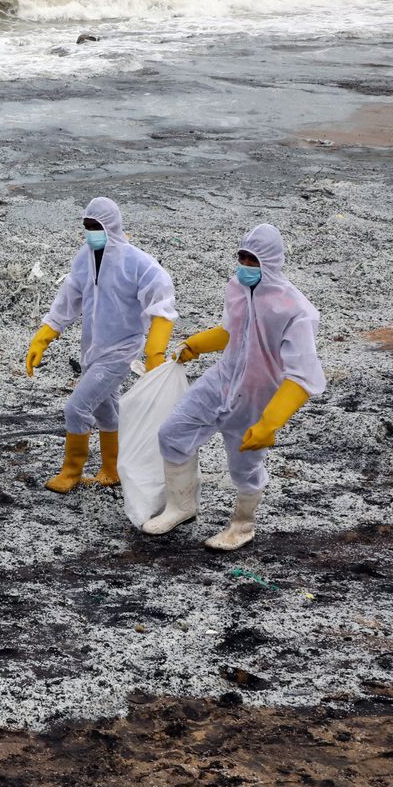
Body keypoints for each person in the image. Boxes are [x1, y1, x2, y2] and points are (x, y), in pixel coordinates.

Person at [142, 224, 324, 551]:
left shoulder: (296, 310)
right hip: (222, 379)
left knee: (245, 465)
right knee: (173, 432)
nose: (245, 266)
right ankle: (181, 506)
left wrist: (270, 422)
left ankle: (242, 525)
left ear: (270, 262)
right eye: (241, 257)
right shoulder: (236, 287)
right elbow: (233, 331)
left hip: (256, 395)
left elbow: (302, 375)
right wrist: (197, 345)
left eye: (252, 260)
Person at [25, 197, 176, 491]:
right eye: (87, 226)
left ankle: (71, 471)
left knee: (76, 408)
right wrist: (43, 338)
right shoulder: (85, 257)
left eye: (96, 226)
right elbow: (69, 299)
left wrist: (154, 351)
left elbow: (162, 300)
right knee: (106, 410)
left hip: (120, 351)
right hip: (93, 349)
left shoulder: (136, 262)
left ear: (111, 226)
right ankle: (111, 469)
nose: (90, 232)